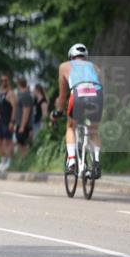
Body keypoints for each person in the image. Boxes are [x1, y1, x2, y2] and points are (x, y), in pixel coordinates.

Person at [53, 43, 103, 179]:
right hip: (97, 94)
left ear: (71, 56)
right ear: (85, 57)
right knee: (94, 130)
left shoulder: (64, 66)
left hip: (78, 94)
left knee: (70, 126)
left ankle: (72, 162)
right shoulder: (95, 67)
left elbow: (62, 95)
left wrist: (59, 111)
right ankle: (96, 162)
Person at [0, 74, 17, 173]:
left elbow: (14, 108)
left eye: (5, 80)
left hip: (8, 120)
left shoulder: (10, 93)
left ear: (8, 81)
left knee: (7, 141)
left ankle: (8, 162)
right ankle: (3, 161)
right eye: (2, 80)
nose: (3, 82)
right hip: (1, 120)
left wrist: (12, 121)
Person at [14, 77, 35, 157]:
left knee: (24, 145)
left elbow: (26, 112)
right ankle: (22, 161)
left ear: (19, 84)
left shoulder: (26, 96)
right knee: (20, 144)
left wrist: (22, 126)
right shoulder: (21, 95)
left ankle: (25, 160)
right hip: (20, 124)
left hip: (24, 125)